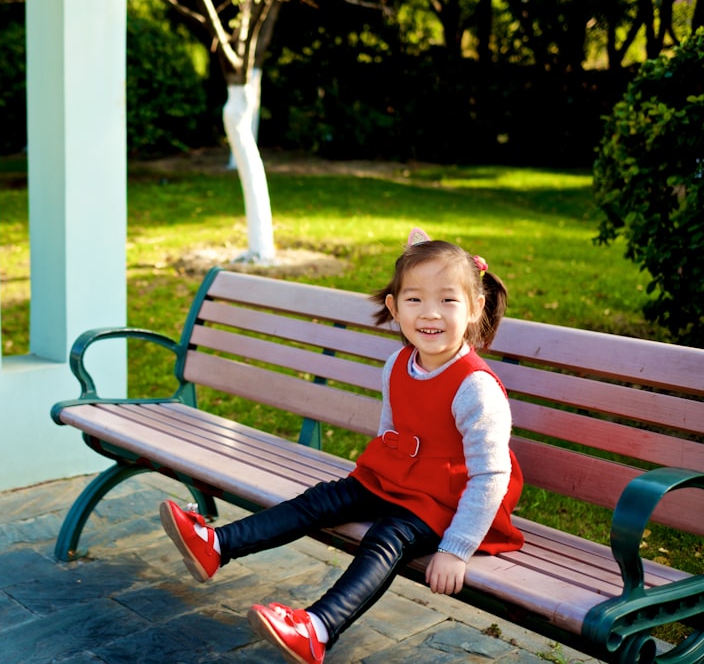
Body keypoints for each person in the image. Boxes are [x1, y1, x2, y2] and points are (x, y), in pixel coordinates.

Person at [159, 229, 525, 664]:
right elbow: (394, 428)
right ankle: (217, 545)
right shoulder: (398, 364)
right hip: (400, 477)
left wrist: (455, 550)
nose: (430, 313)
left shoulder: (475, 387)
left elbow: (490, 477)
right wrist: (369, 482)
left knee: (386, 537)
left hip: (452, 497)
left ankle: (317, 628)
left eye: (448, 300)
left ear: (474, 308)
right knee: (322, 500)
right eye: (414, 300)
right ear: (393, 307)